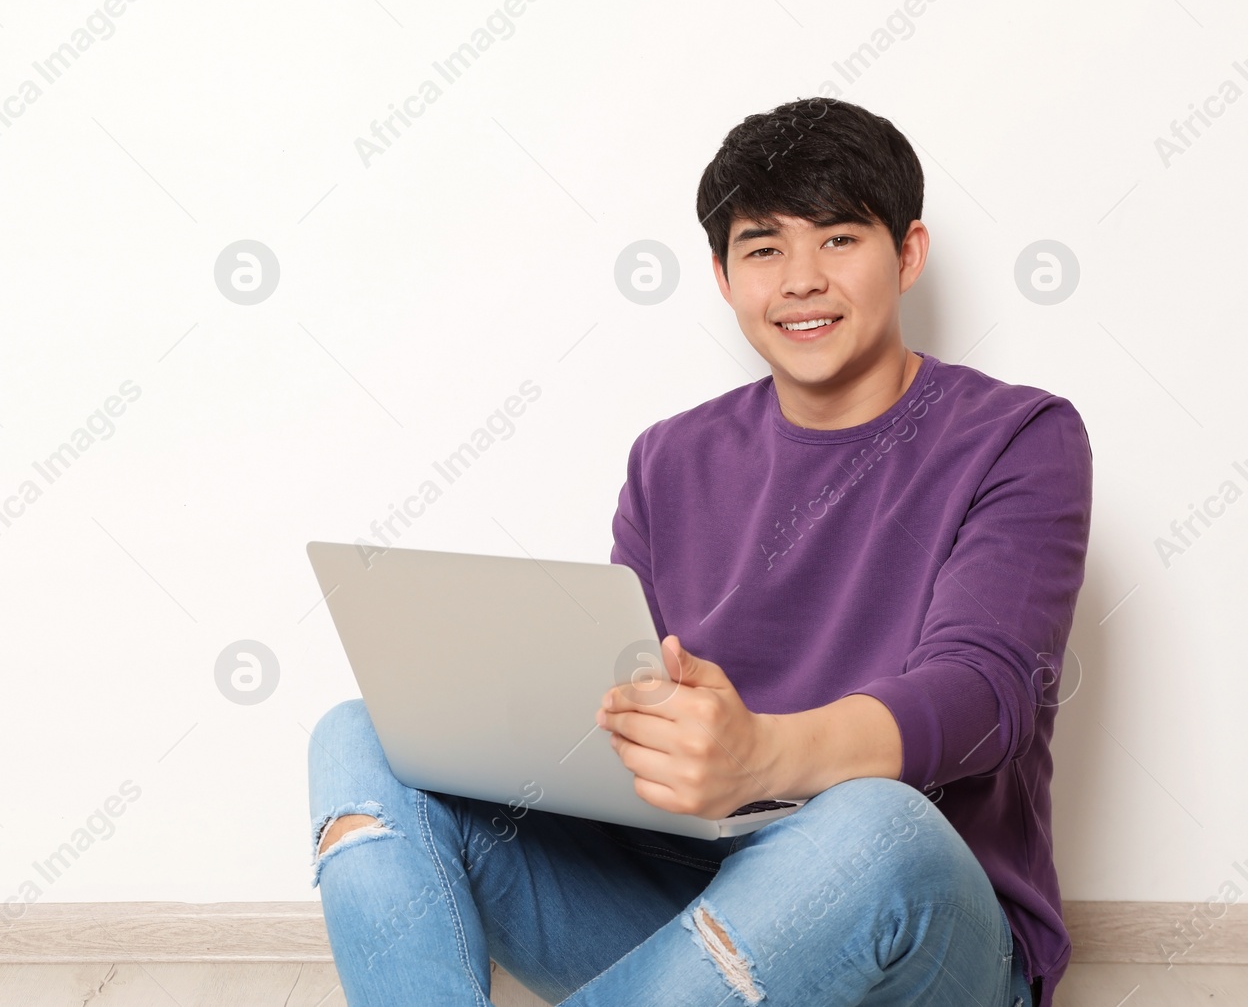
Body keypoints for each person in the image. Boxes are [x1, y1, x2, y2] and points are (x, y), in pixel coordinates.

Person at [306, 96, 1091, 1006]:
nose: (800, 279)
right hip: (698, 916)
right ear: (724, 277)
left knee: (876, 822)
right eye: (763, 248)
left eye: (838, 239)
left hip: (918, 927)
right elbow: (624, 705)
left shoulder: (1019, 435)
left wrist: (764, 754)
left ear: (908, 253)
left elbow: (986, 700)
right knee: (359, 734)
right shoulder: (669, 457)